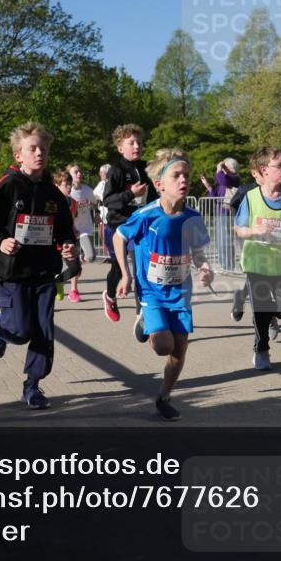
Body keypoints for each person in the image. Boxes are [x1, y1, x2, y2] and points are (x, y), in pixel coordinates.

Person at [0, 122, 77, 410]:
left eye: (43, 148)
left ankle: (32, 386)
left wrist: (68, 244)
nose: (39, 153)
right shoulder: (6, 185)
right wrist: (0, 241)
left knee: (44, 330)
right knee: (20, 330)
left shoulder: (53, 194)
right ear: (19, 154)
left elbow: (65, 229)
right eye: (32, 148)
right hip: (13, 272)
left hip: (44, 272)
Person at [114, 148, 213, 420]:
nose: (184, 180)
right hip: (152, 292)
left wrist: (205, 269)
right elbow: (119, 237)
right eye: (176, 176)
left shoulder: (192, 217)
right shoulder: (146, 215)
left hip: (180, 292)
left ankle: (164, 397)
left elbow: (198, 253)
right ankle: (145, 318)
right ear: (159, 185)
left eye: (186, 175)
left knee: (180, 348)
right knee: (163, 346)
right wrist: (125, 274)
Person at [233, 146, 281, 371]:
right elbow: (239, 229)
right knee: (260, 310)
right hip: (257, 263)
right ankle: (261, 350)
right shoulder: (251, 197)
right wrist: (253, 231)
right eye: (279, 165)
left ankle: (270, 314)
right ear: (264, 170)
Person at [101, 124, 154, 330]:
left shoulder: (147, 168)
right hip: (119, 227)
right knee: (118, 268)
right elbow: (108, 200)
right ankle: (110, 296)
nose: (137, 146)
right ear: (120, 148)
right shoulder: (117, 170)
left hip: (142, 226)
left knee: (142, 269)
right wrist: (131, 194)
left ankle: (142, 313)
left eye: (139, 142)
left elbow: (154, 195)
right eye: (131, 143)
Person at [200, 157, 241, 271]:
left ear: (228, 168)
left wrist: (219, 168)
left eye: (224, 166)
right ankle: (224, 265)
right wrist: (207, 184)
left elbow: (223, 179)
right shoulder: (223, 181)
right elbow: (214, 194)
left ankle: (228, 266)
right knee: (220, 240)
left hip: (227, 213)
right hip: (219, 213)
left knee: (225, 240)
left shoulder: (234, 178)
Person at [67, 163, 99, 302]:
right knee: (73, 262)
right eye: (76, 172)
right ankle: (73, 290)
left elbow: (94, 203)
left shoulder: (87, 190)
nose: (79, 174)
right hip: (71, 230)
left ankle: (79, 261)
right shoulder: (67, 192)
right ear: (70, 175)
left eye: (80, 171)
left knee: (91, 256)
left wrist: (97, 213)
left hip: (85, 229)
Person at [52, 168, 83, 300]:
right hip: (53, 241)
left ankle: (59, 281)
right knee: (52, 269)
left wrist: (74, 229)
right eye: (66, 185)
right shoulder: (50, 203)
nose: (69, 187)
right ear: (56, 185)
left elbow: (72, 219)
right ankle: (49, 295)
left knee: (76, 268)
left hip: (68, 240)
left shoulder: (73, 202)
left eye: (70, 184)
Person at [93, 163, 112, 262]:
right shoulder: (101, 183)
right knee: (101, 234)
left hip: (109, 210)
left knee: (109, 233)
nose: (100, 174)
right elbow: (95, 195)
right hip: (101, 210)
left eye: (102, 172)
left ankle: (111, 254)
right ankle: (107, 254)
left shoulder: (111, 183)